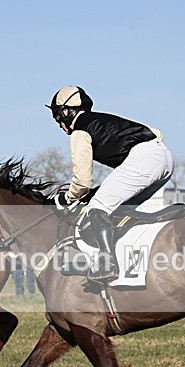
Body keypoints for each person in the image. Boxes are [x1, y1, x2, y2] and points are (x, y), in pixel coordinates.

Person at [46, 86, 174, 284]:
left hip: (144, 159)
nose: (59, 125)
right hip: (163, 158)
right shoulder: (99, 119)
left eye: (57, 118)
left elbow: (82, 182)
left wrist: (64, 198)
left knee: (96, 210)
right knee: (119, 210)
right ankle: (153, 226)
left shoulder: (79, 130)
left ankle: (107, 264)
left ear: (66, 111)